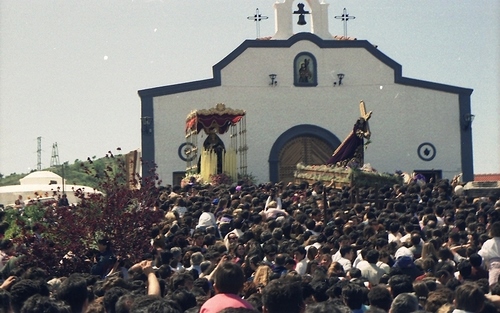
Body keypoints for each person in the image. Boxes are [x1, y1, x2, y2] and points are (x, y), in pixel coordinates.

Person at [478, 221, 500, 286]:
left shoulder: (488, 243)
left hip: (493, 268)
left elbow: (481, 256)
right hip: (493, 266)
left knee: (494, 287)